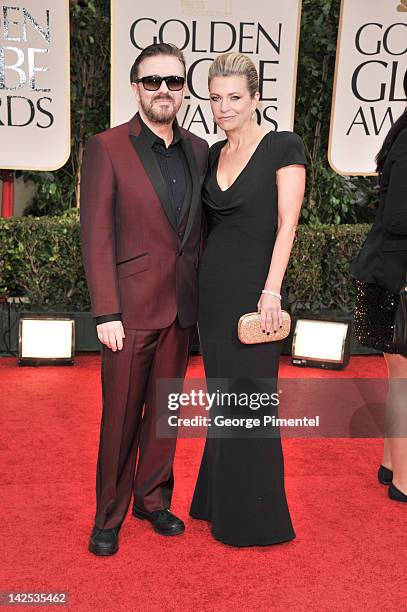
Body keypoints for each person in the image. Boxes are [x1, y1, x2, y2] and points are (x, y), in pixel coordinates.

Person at [80, 43, 209, 556]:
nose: (163, 91)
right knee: (120, 417)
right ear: (135, 87)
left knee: (164, 413)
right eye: (152, 81)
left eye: (173, 82)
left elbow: (199, 233)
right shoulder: (106, 147)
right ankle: (107, 516)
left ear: (183, 90)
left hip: (180, 308)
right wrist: (106, 310)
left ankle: (152, 499)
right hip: (128, 311)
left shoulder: (199, 149)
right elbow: (95, 235)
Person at [189, 53, 307, 546]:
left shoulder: (284, 145)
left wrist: (272, 290)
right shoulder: (214, 154)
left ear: (256, 97)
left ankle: (253, 519)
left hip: (257, 296)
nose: (224, 107)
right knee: (224, 400)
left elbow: (287, 224)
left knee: (251, 401)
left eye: (234, 97)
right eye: (216, 98)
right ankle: (216, 499)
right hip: (213, 293)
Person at [351, 70, 407, 504]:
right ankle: (405, 481)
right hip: (397, 279)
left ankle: (392, 466)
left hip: (390, 275)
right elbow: (399, 218)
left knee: (400, 381)